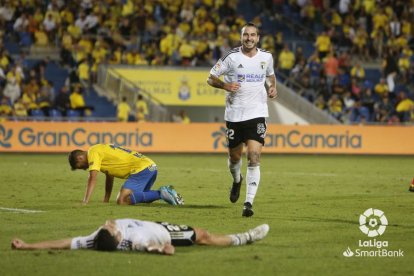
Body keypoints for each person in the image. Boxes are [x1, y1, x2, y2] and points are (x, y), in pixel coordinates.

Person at [207, 22, 278, 217]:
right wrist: (225, 85)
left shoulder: (266, 57)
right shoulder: (231, 57)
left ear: (258, 37)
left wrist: (272, 87)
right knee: (234, 158)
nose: (249, 38)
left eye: (253, 35)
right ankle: (237, 180)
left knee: (254, 157)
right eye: (246, 35)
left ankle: (248, 203)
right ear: (241, 37)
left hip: (257, 113)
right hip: (234, 115)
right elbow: (210, 77)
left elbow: (271, 76)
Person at [11, 218, 270, 255]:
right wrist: (165, 250)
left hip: (153, 224)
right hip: (165, 232)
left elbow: (65, 242)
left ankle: (244, 237)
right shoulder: (133, 240)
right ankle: (246, 237)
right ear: (116, 235)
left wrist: (28, 245)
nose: (108, 223)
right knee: (202, 235)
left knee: (201, 233)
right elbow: (151, 247)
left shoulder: (94, 239)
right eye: (110, 227)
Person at [68, 144, 184, 206]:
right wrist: (106, 199)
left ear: (80, 158)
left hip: (141, 169)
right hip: (150, 167)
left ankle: (162, 193)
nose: (84, 169)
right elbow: (109, 175)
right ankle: (166, 193)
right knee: (136, 198)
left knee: (122, 200)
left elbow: (92, 178)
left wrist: (85, 201)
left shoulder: (92, 152)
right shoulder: (99, 151)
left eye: (80, 166)